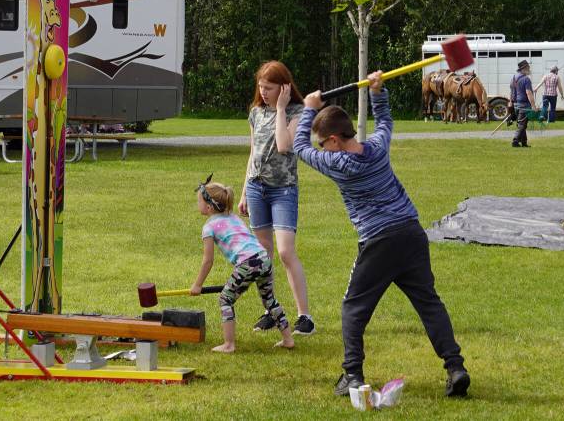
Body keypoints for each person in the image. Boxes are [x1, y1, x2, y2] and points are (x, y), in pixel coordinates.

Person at [293, 72, 469, 398]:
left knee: (352, 308)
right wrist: (378, 91)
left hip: (379, 240)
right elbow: (385, 122)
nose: (321, 147)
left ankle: (352, 376)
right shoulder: (376, 147)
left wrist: (309, 108)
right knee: (429, 304)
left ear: (333, 140)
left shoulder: (340, 163)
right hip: (412, 234)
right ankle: (455, 367)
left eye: (323, 142)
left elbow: (299, 148)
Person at [240, 61, 315, 336]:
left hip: (283, 190)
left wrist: (281, 109)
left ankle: (305, 317)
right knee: (263, 255)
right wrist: (244, 190)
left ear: (284, 87)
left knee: (285, 251)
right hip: (256, 188)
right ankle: (270, 311)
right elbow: (253, 152)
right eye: (260, 86)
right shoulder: (255, 113)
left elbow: (285, 146)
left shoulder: (299, 112)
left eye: (269, 88)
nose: (263, 92)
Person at [191, 176, 295, 353]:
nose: (197, 204)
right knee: (269, 300)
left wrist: (197, 284)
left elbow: (208, 260)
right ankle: (288, 339)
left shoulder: (209, 227)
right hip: (263, 258)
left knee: (225, 299)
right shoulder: (233, 217)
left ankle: (229, 344)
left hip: (248, 263)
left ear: (208, 207)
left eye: (199, 201)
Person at [509, 60, 537, 148]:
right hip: (524, 105)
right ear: (524, 69)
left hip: (516, 104)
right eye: (528, 67)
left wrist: (510, 102)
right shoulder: (526, 79)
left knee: (522, 124)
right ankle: (515, 140)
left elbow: (511, 92)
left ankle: (524, 143)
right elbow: (529, 93)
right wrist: (533, 106)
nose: (529, 69)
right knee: (522, 125)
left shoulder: (513, 78)